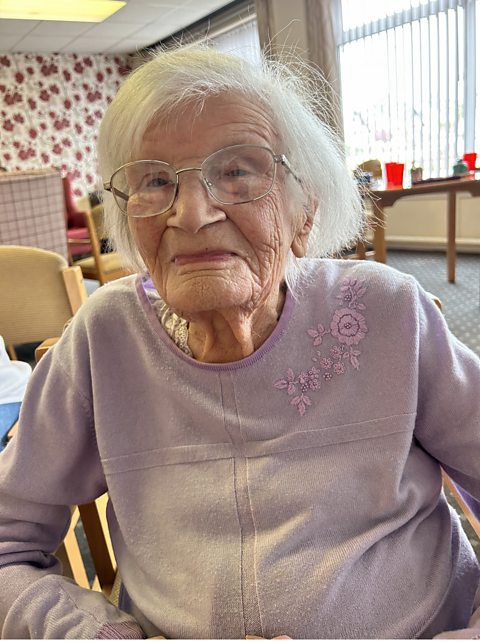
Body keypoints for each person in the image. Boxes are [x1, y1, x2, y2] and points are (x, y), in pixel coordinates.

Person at [0, 46, 479, 640]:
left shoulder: (387, 314)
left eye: (237, 172)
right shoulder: (104, 340)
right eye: (154, 180)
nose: (193, 213)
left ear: (305, 213)